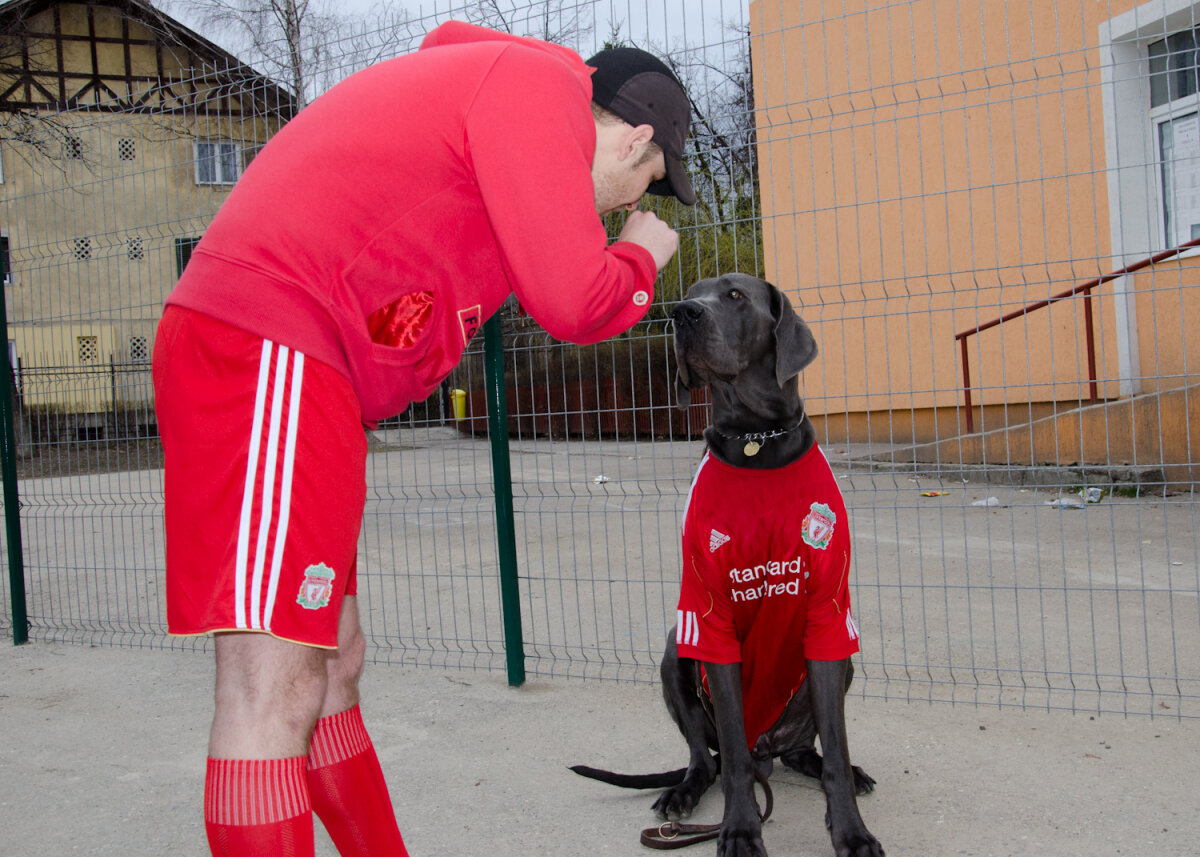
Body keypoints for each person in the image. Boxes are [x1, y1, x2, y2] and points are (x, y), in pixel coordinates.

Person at [152, 20, 695, 857]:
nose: (632, 203)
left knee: (333, 662)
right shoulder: (535, 87)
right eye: (644, 180)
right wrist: (639, 259)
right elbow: (574, 300)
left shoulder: (500, 122)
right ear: (636, 134)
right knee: (272, 686)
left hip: (305, 370)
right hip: (270, 345)